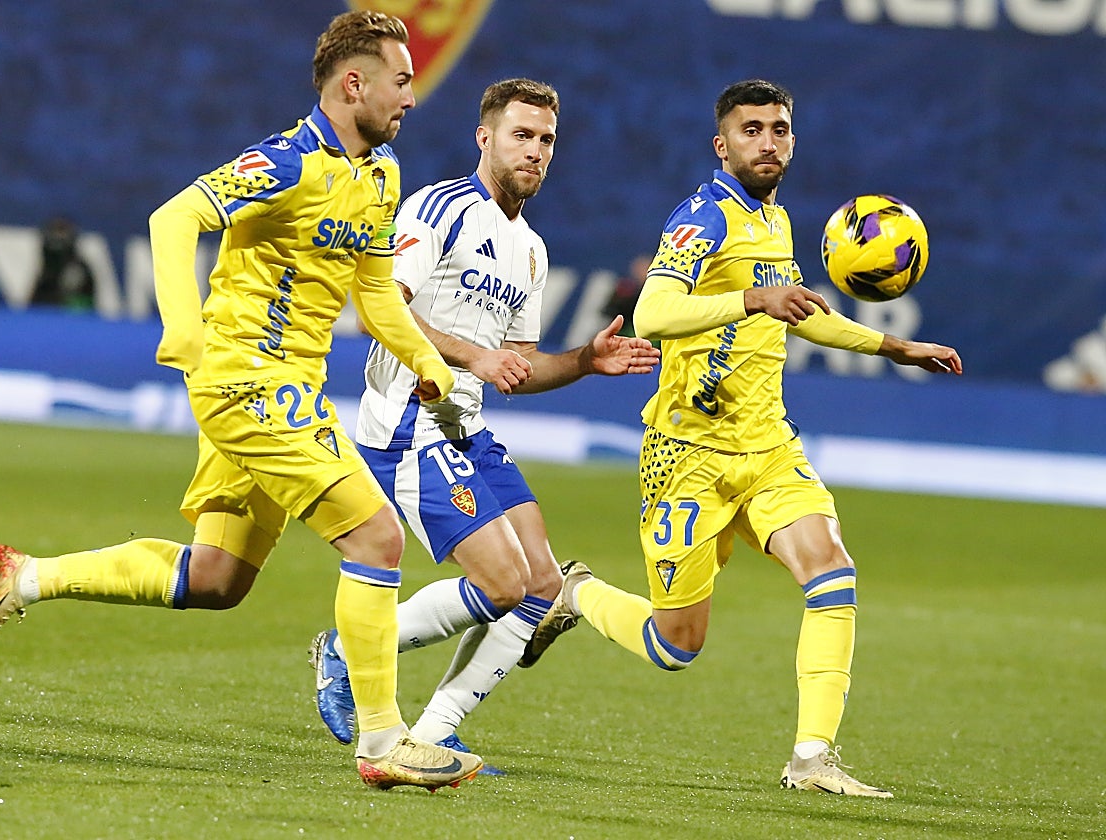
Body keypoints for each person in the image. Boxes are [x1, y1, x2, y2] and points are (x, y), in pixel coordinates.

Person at [0, 10, 482, 792]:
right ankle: (383, 741)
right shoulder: (288, 159)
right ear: (353, 82)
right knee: (376, 537)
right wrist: (185, 333)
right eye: (401, 81)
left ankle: (21, 576)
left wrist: (425, 363)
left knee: (216, 580)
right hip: (247, 382)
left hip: (287, 389)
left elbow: (373, 292)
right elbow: (176, 217)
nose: (412, 97)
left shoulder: (380, 174)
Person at [517, 79, 963, 798]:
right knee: (675, 646)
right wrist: (754, 297)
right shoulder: (704, 217)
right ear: (722, 145)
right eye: (751, 129)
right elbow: (654, 313)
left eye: (779, 128)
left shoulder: (775, 223)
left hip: (767, 448)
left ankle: (812, 758)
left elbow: (797, 313)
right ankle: (576, 593)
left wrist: (890, 347)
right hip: (685, 456)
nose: (767, 141)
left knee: (832, 572)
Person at [307, 78, 660, 773]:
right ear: (485, 137)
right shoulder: (438, 208)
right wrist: (474, 355)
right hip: (409, 418)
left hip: (464, 429)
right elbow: (380, 307)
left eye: (546, 140)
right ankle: (346, 649)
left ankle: (438, 728)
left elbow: (518, 368)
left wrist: (585, 362)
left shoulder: (531, 249)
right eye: (521, 135)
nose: (534, 151)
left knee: (543, 587)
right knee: (502, 583)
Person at [31, 216, 96, 311]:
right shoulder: (46, 268)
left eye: (61, 232)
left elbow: (84, 306)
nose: (57, 238)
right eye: (54, 232)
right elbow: (33, 304)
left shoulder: (77, 269)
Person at [601, 253, 652, 337]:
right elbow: (608, 310)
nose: (643, 272)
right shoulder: (626, 290)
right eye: (640, 268)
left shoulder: (657, 294)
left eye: (646, 268)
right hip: (624, 333)